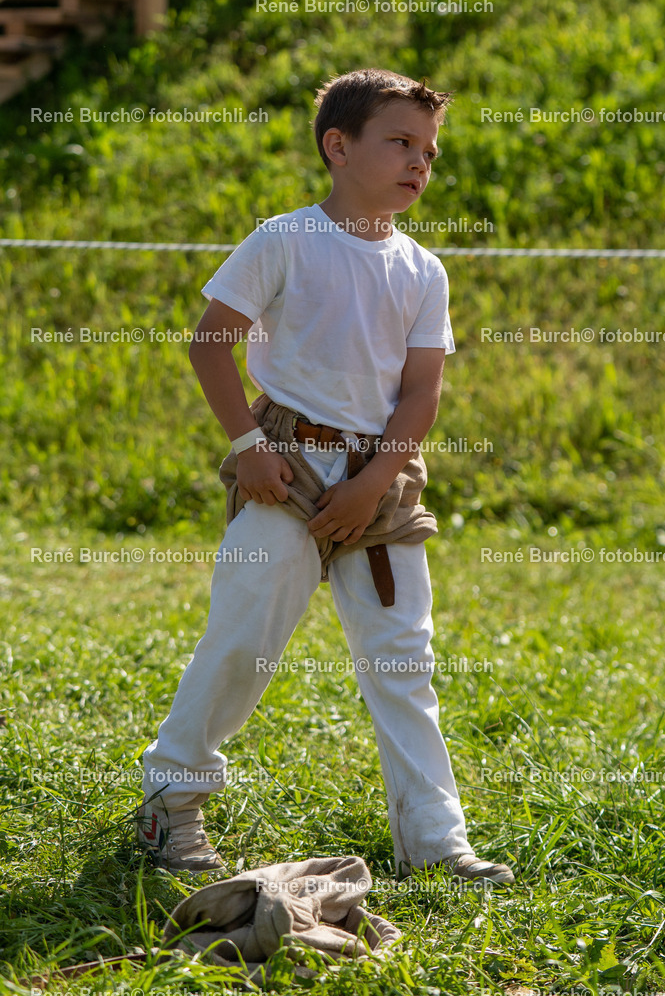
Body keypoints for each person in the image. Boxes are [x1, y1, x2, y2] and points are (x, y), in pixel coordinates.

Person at [136, 68, 514, 887]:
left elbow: (421, 392)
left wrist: (373, 482)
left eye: (429, 151)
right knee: (245, 639)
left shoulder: (423, 269)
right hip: (284, 467)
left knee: (403, 660)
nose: (419, 162)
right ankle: (171, 802)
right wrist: (247, 446)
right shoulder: (283, 239)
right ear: (337, 146)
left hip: (382, 481)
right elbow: (209, 342)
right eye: (401, 142)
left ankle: (434, 841)